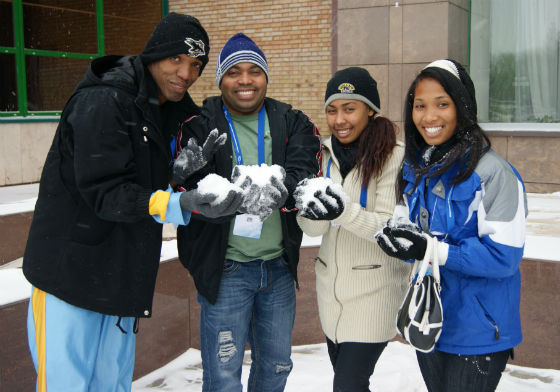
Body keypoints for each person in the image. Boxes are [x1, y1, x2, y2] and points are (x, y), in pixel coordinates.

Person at [23, 13, 243, 392]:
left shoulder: (162, 111)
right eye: (177, 58)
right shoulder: (104, 100)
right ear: (155, 54)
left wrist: (173, 177)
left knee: (111, 386)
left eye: (195, 65)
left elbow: (135, 183)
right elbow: (103, 191)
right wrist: (181, 203)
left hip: (118, 280)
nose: (186, 73)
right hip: (69, 278)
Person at [174, 33, 322, 392]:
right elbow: (182, 182)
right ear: (221, 79)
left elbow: (306, 170)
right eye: (234, 71)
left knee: (275, 370)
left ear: (265, 78)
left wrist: (283, 191)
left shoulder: (292, 120)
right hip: (225, 271)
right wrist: (185, 176)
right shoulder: (197, 122)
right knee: (223, 377)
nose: (244, 80)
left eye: (254, 71)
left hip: (278, 270)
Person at [375, 59, 527, 392]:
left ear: (464, 107)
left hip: (478, 331)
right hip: (430, 322)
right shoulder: (418, 169)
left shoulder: (494, 174)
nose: (429, 117)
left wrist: (431, 249)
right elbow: (418, 240)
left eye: (442, 104)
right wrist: (402, 243)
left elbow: (504, 257)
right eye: (420, 105)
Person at [294, 67, 409, 392]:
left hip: (376, 291)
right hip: (331, 292)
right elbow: (312, 230)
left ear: (370, 110)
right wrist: (312, 212)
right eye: (332, 110)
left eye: (349, 108)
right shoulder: (321, 155)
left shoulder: (393, 156)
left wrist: (342, 210)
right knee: (349, 384)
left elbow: (389, 228)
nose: (339, 119)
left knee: (347, 385)